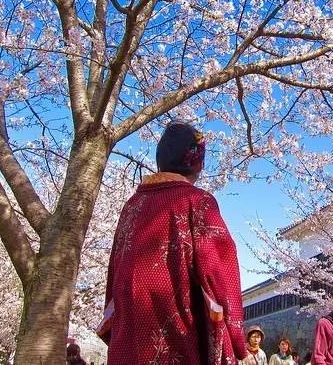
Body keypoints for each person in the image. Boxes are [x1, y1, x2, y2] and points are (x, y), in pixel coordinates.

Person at [104, 121, 246, 364]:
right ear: (197, 162)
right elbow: (220, 275)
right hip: (179, 340)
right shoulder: (198, 201)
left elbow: (114, 278)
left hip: (129, 342)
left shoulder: (131, 206)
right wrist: (235, 337)